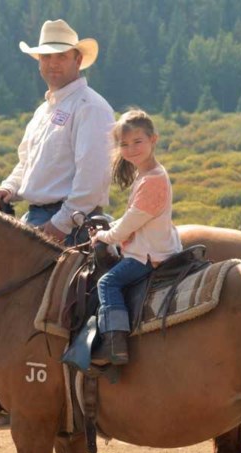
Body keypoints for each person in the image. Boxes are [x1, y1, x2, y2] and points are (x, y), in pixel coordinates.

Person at [0, 19, 114, 244]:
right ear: (39, 63)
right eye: (46, 57)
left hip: (73, 226)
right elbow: (27, 163)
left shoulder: (89, 107)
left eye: (61, 56)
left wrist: (60, 225)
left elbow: (92, 179)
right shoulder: (43, 111)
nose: (53, 63)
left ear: (78, 60)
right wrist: (9, 188)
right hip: (38, 218)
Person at [90, 110, 182, 366]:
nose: (131, 149)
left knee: (107, 284)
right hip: (154, 245)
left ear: (153, 139)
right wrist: (106, 230)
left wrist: (104, 236)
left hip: (148, 255)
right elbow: (133, 217)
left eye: (137, 142)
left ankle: (115, 342)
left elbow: (127, 228)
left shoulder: (152, 181)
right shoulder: (148, 174)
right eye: (124, 144)